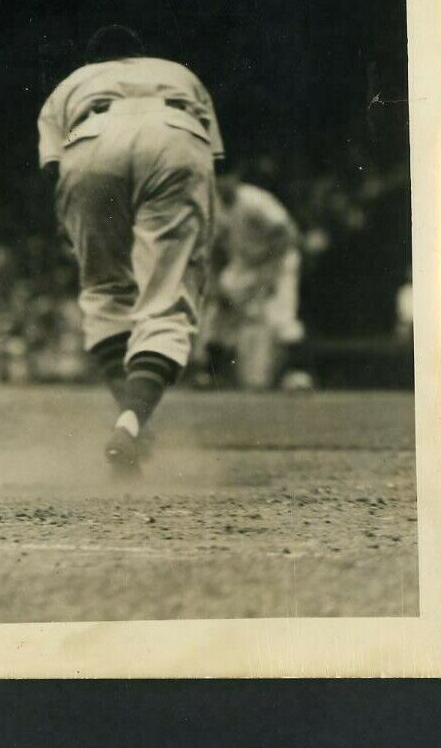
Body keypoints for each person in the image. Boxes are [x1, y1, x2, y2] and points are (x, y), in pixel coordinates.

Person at [37, 26, 223, 474]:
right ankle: (134, 419)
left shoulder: (72, 83)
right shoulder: (178, 73)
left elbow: (51, 169)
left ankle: (131, 417)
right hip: (175, 136)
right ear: (140, 55)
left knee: (104, 291)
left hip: (89, 141)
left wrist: (77, 231)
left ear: (93, 61)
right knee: (165, 301)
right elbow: (213, 161)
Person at [201, 174, 307, 390]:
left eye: (225, 177)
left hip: (279, 259)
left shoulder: (255, 200)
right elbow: (213, 251)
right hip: (245, 265)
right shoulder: (214, 206)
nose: (222, 183)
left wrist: (269, 274)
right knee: (219, 314)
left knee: (281, 315)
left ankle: (298, 375)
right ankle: (212, 375)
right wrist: (216, 284)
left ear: (235, 179)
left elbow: (288, 234)